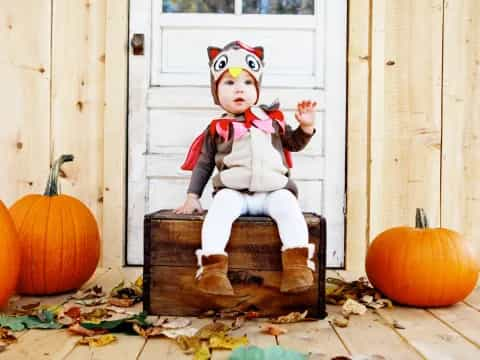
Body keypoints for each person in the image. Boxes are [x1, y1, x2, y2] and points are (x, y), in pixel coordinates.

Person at [175, 40, 317, 296]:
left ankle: (297, 267)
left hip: (273, 191)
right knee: (218, 212)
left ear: (257, 88)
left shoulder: (271, 121)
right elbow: (204, 164)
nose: (239, 89)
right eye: (229, 83)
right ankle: (213, 270)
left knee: (289, 208)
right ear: (216, 92)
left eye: (248, 83)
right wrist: (192, 196)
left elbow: (293, 144)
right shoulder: (217, 127)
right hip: (234, 192)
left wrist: (305, 128)